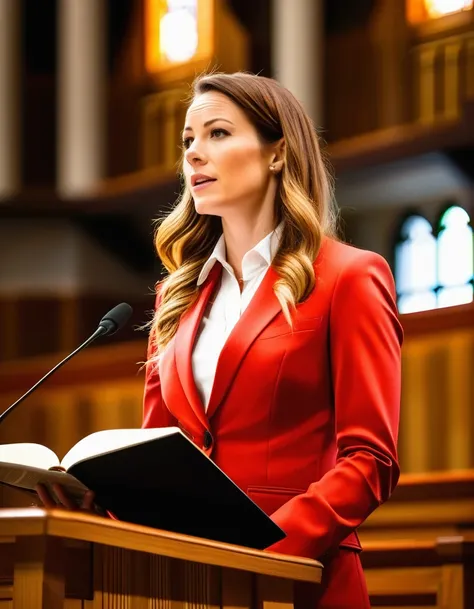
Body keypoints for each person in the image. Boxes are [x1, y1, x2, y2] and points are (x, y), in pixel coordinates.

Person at [39, 72, 403, 608]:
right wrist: (99, 505)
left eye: (217, 133)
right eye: (187, 140)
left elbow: (371, 460)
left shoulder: (349, 276)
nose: (194, 155)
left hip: (302, 579)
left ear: (277, 153)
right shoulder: (176, 297)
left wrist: (264, 550)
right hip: (189, 585)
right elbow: (157, 458)